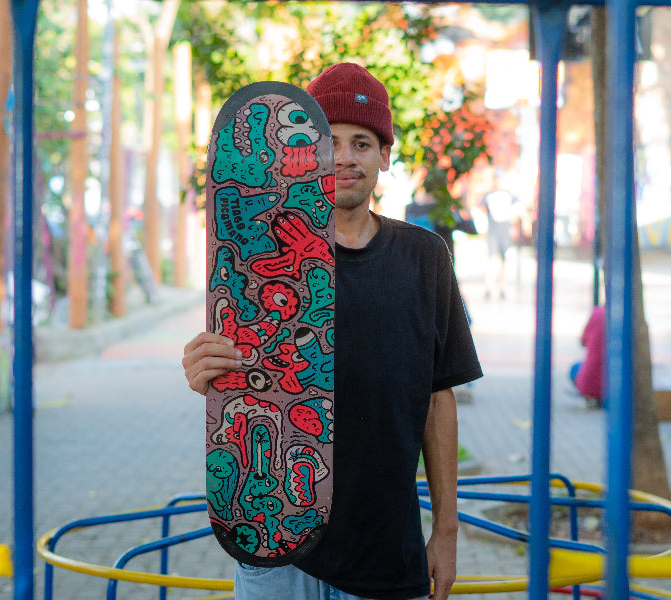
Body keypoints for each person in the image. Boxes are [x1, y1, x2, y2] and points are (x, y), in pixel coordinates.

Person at [181, 62, 482, 600]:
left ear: (384, 156)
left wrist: (446, 531)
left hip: (387, 554)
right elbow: (239, 384)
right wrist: (207, 369)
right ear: (301, 156)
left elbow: (440, 399)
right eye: (330, 142)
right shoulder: (264, 254)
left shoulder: (424, 257)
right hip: (275, 545)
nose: (344, 157)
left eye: (362, 143)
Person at [570, 305, 605, 408]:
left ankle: (591, 398)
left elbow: (583, 341)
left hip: (588, 384)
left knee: (575, 368)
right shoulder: (628, 316)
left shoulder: (597, 313)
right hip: (614, 383)